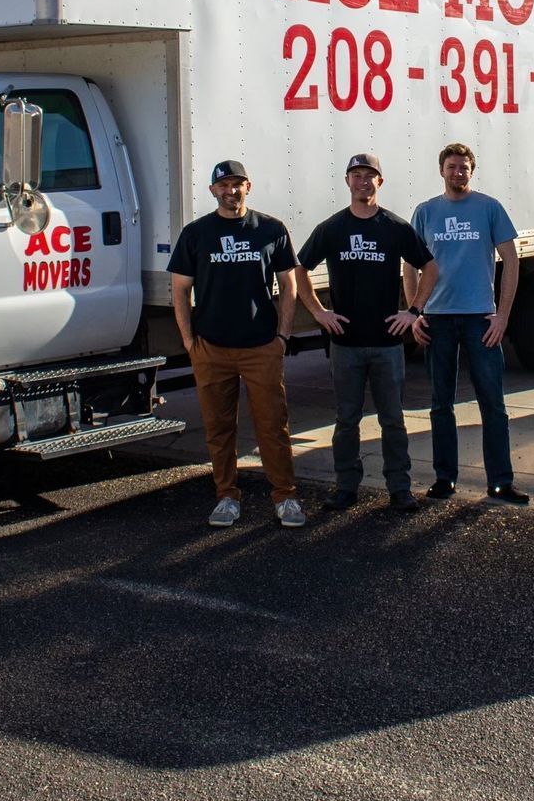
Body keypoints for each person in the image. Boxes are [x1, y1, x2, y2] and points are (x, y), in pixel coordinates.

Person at [293, 152, 437, 515]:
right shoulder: (332, 228)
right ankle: (345, 487)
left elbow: (430, 268)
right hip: (346, 344)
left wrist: (414, 311)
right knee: (346, 420)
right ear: (347, 182)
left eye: (369, 175)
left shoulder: (395, 227)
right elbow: (300, 269)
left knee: (393, 419)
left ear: (380, 182)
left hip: (387, 343)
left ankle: (399, 488)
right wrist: (319, 312)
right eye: (356, 175)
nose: (363, 181)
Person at [168, 159, 305, 529]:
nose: (231, 191)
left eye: (237, 184)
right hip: (211, 347)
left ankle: (285, 497)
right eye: (223, 185)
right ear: (212, 190)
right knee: (219, 427)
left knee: (272, 426)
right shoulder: (196, 233)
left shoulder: (270, 229)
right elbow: (179, 289)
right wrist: (188, 340)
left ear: (249, 186)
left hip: (261, 345)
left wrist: (283, 336)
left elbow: (288, 286)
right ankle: (227, 496)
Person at [409, 142, 529, 505]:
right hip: (437, 320)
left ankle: (500, 482)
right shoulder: (426, 212)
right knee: (440, 403)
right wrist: (416, 312)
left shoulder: (489, 208)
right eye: (451, 167)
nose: (457, 173)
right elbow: (410, 265)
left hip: (480, 319)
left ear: (471, 172)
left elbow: (511, 259)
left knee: (492, 402)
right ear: (441, 170)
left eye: (463, 167)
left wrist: (502, 315)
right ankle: (445, 479)